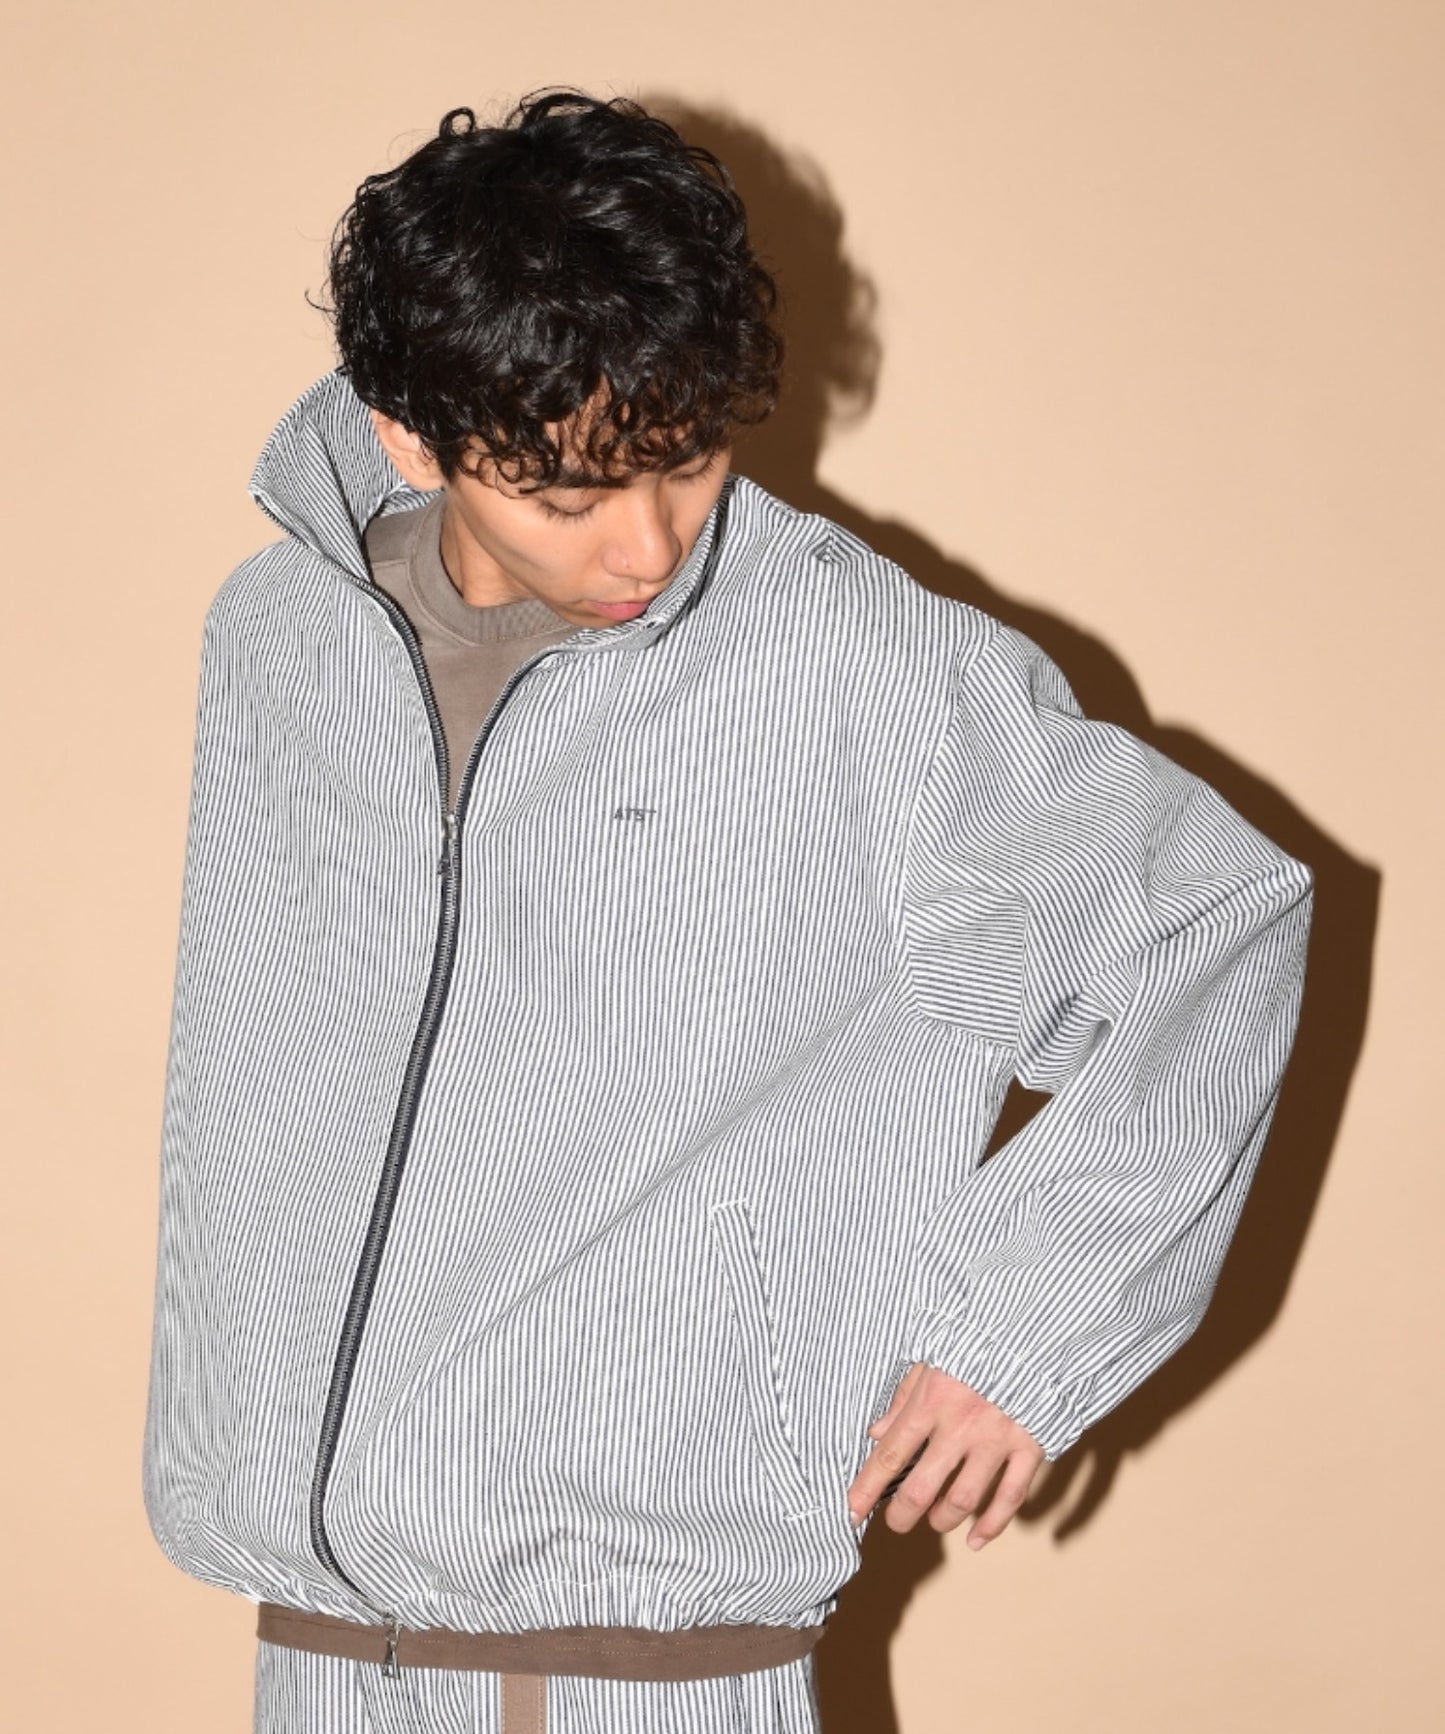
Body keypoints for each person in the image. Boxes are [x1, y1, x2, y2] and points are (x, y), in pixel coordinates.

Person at [142, 90, 1314, 1734]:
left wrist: (1027, 1323)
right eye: (568, 494)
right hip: (317, 1651)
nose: (645, 544)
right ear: (410, 436)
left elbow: (1207, 925)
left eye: (687, 459)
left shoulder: (852, 666)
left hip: (639, 1669)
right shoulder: (276, 638)